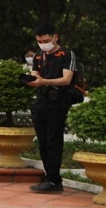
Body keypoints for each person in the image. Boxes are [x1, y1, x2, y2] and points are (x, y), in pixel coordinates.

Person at [29, 23, 76, 193]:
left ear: (55, 37)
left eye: (46, 40)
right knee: (42, 142)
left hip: (58, 101)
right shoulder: (38, 56)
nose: (43, 44)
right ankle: (49, 176)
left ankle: (55, 180)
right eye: (40, 41)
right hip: (41, 101)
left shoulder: (67, 54)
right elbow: (35, 75)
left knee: (53, 140)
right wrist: (31, 79)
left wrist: (44, 82)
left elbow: (66, 79)